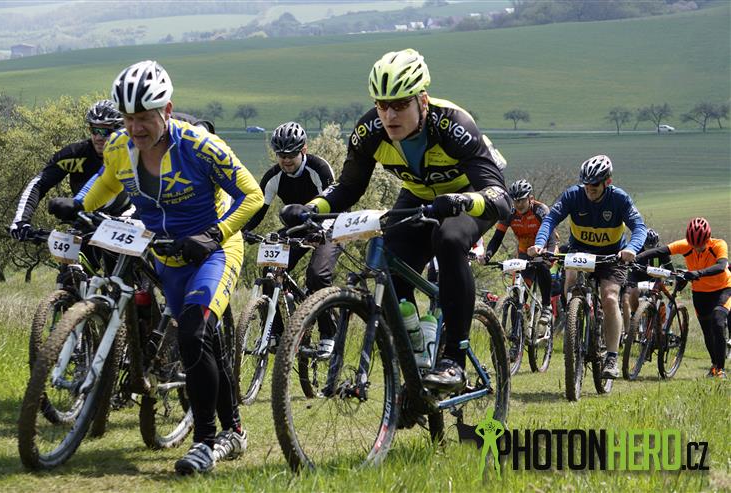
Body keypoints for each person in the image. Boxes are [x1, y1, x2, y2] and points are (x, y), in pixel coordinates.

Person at [48, 60, 263, 474]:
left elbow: (251, 196)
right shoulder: (118, 147)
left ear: (167, 110)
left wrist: (214, 234)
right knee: (202, 342)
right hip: (166, 256)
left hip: (214, 252)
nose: (135, 127)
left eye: (144, 117)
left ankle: (205, 443)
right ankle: (234, 430)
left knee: (194, 333)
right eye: (128, 118)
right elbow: (107, 181)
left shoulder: (199, 146)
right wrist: (79, 206)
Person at [280, 48, 512, 392]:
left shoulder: (454, 125)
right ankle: (416, 363)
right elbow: (348, 187)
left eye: (400, 104)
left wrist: (464, 200)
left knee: (449, 240)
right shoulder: (369, 131)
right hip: (418, 195)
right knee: (387, 263)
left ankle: (454, 360)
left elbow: (500, 198)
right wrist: (311, 208)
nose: (389, 115)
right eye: (382, 104)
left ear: (423, 100)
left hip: (468, 195)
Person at [527, 154, 647, 379]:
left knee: (610, 297)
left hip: (612, 255)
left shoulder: (619, 199)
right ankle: (576, 317)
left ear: (607, 182)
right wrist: (540, 243)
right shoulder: (573, 195)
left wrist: (632, 248)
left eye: (594, 186)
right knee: (571, 281)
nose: (589, 190)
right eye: (586, 185)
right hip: (580, 250)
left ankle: (611, 357)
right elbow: (550, 219)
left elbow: (639, 227)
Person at [242, 121, 340, 356]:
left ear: (303, 150)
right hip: (298, 228)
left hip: (331, 225)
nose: (286, 160)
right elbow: (258, 211)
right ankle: (274, 333)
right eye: (281, 155)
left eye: (291, 155)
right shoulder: (273, 177)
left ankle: (329, 334)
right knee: (269, 268)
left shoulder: (319, 168)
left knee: (317, 276)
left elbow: (334, 203)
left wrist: (321, 231)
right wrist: (241, 230)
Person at [9, 100, 131, 241]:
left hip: (126, 220)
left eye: (105, 131)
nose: (98, 137)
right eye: (94, 130)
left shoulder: (131, 154)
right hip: (85, 222)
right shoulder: (75, 154)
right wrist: (21, 220)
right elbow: (40, 183)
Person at [636, 218, 730, 379]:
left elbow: (721, 266)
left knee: (717, 321)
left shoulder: (719, 245)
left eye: (701, 245)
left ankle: (720, 369)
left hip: (723, 289)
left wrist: (698, 273)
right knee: (707, 331)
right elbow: (660, 251)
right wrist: (636, 257)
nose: (697, 248)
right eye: (694, 245)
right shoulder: (685, 245)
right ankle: (715, 365)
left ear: (708, 238)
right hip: (700, 292)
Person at [483, 179, 557, 339]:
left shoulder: (540, 210)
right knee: (517, 295)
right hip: (524, 252)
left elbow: (551, 236)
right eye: (515, 201)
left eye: (522, 200)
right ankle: (516, 339)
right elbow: (497, 237)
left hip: (546, 248)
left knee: (542, 266)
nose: (518, 204)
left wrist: (548, 253)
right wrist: (487, 255)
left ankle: (546, 307)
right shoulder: (509, 213)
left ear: (530, 198)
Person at [621, 228, 673, 332]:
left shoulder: (661, 252)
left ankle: (662, 327)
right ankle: (634, 317)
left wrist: (670, 278)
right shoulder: (636, 250)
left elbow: (670, 269)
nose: (649, 249)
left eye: (652, 247)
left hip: (654, 278)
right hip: (637, 276)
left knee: (657, 299)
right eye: (647, 246)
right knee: (633, 292)